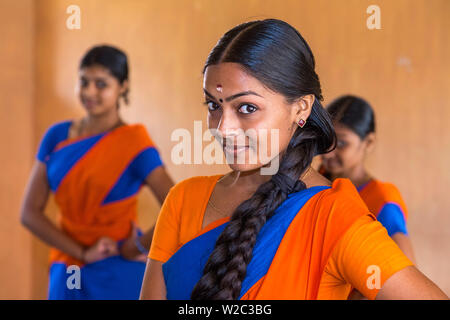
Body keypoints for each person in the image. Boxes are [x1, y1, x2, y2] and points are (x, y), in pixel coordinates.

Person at [139, 19, 447, 300]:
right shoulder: (183, 200)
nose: (223, 127)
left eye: (246, 108)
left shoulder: (331, 216)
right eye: (213, 105)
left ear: (300, 108)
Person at [20, 45, 174, 299]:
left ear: (122, 86)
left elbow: (175, 205)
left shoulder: (134, 142)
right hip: (68, 263)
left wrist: (136, 245)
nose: (89, 91)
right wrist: (81, 252)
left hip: (117, 270)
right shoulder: (57, 136)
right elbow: (29, 213)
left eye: (101, 84)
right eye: (84, 82)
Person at [320, 95, 415, 263]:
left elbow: (406, 266)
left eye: (341, 143)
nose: (328, 152)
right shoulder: (317, 181)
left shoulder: (381, 199)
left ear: (369, 142)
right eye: (325, 140)